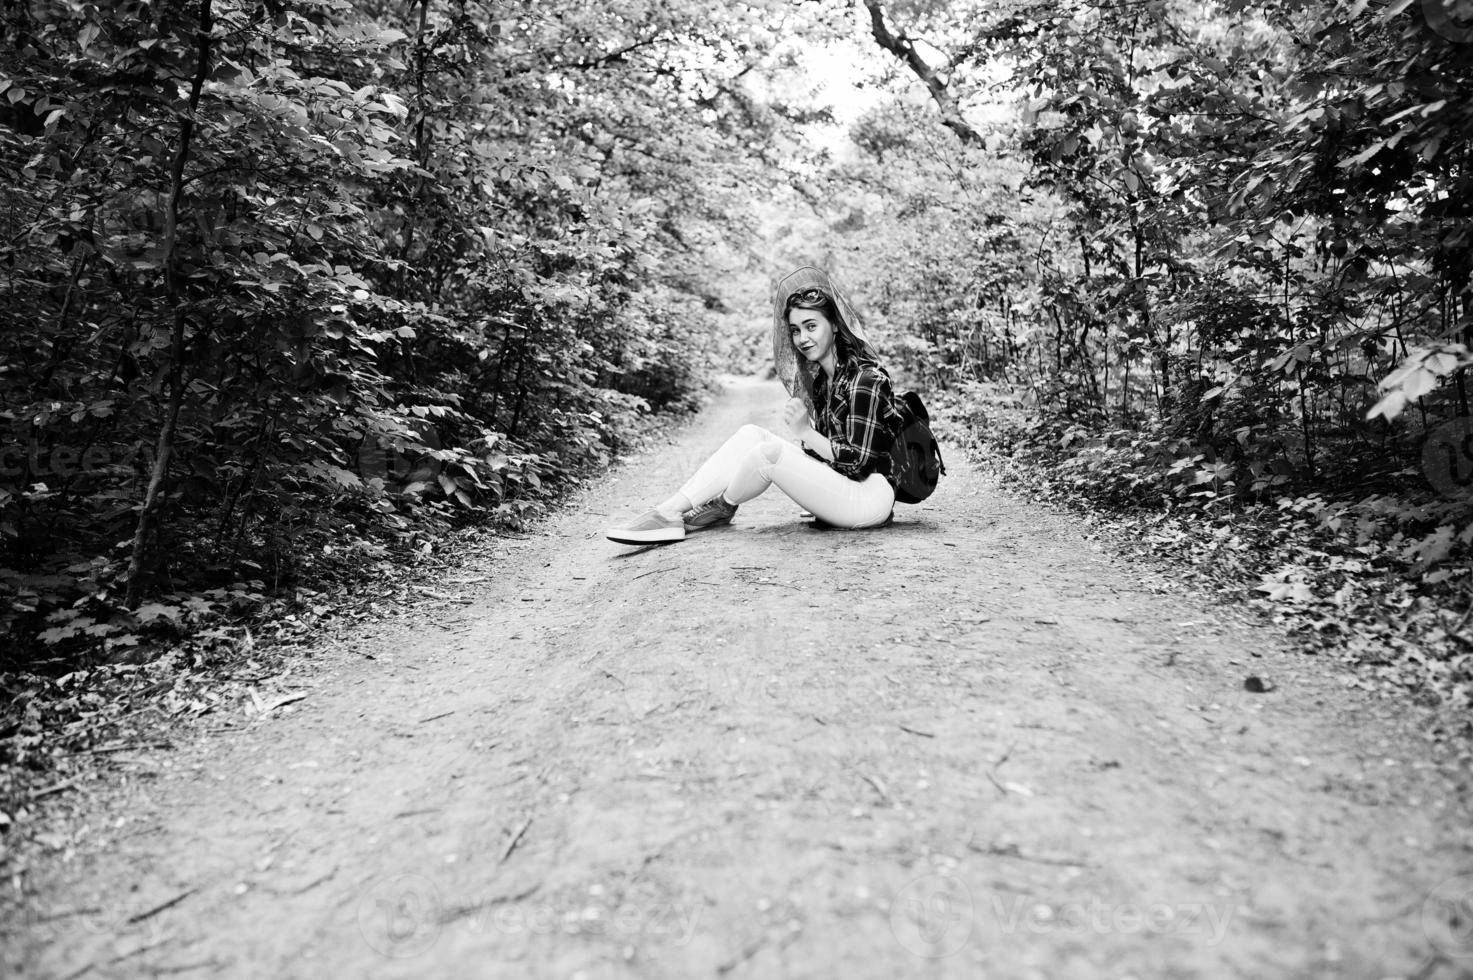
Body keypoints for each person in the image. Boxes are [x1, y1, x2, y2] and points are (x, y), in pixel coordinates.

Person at [605, 266, 903, 545]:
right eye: (796, 330)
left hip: (869, 499)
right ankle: (670, 511)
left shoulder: (866, 379)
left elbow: (858, 462)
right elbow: (827, 457)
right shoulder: (825, 382)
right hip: (845, 490)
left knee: (768, 454)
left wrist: (806, 433)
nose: (802, 338)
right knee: (752, 435)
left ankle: (721, 506)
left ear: (835, 326)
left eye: (811, 326)